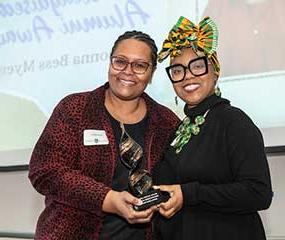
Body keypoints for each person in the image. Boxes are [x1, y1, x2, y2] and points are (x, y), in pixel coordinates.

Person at [28, 30, 180, 240]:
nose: (127, 71)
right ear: (110, 63)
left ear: (152, 72)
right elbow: (45, 171)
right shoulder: (75, 109)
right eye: (120, 62)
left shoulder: (166, 122)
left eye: (139, 65)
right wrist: (108, 199)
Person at [152, 16, 272, 240]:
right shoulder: (179, 131)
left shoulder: (234, 122)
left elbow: (259, 193)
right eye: (177, 70)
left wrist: (189, 194)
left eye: (197, 66)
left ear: (215, 71)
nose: (187, 76)